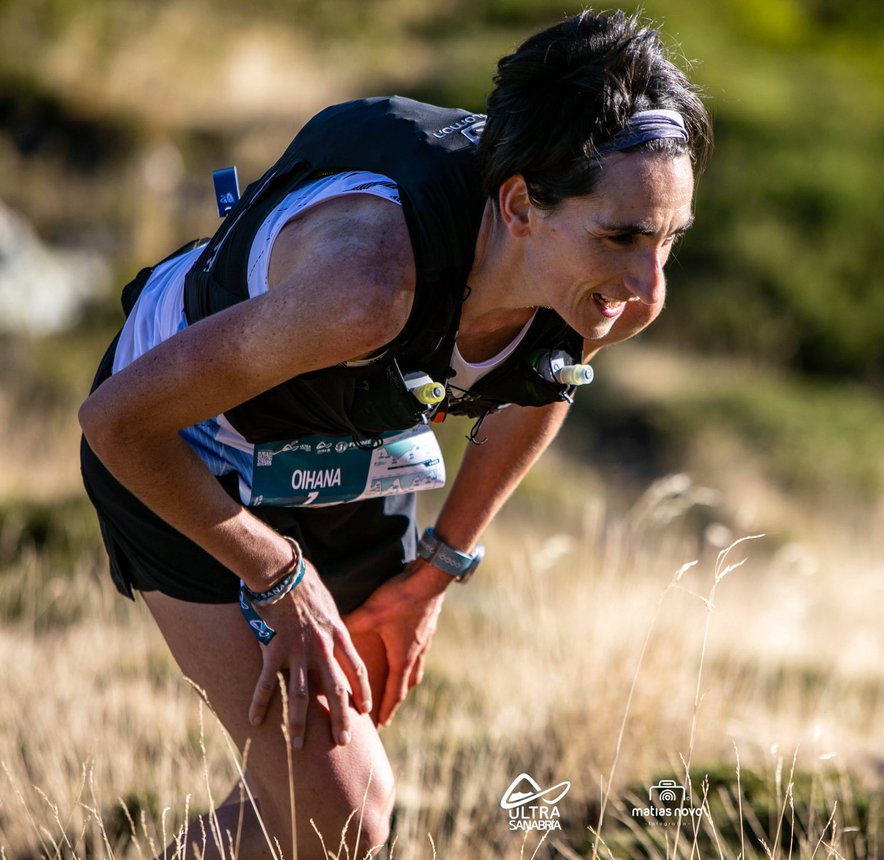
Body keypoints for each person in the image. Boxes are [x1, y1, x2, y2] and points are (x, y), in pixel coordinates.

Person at [78, 9, 711, 855]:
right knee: (344, 814)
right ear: (520, 205)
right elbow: (116, 424)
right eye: (623, 236)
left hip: (349, 446)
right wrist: (280, 578)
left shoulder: (597, 286)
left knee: (320, 802)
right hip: (181, 441)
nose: (648, 288)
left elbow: (543, 381)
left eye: (669, 240)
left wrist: (438, 569)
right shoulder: (366, 287)